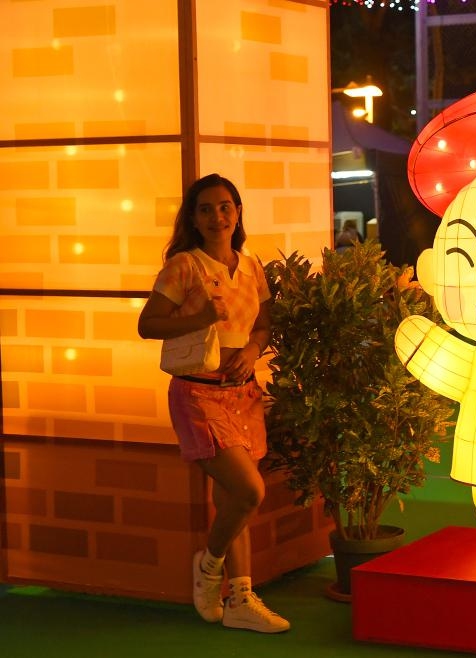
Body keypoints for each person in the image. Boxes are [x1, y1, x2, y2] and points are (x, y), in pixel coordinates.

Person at [137, 173, 289, 633]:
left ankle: (240, 598)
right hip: (197, 394)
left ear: (238, 212)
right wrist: (201, 317)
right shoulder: (184, 266)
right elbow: (148, 324)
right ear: (193, 218)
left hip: (243, 393)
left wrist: (252, 351)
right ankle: (209, 566)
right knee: (249, 491)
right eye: (205, 209)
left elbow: (263, 324)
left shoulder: (251, 265)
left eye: (225, 207)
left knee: (231, 500)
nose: (217, 216)